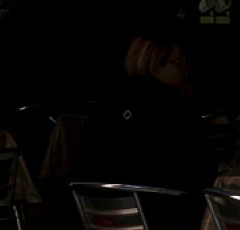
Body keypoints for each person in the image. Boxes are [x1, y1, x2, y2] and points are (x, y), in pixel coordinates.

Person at [78, 33, 215, 194]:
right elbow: (202, 167)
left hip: (100, 209)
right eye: (178, 62)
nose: (186, 69)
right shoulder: (174, 107)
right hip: (161, 208)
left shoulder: (107, 102)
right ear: (156, 66)